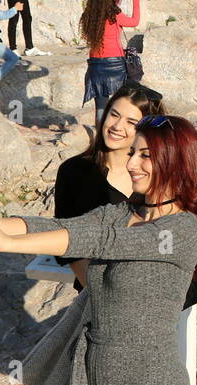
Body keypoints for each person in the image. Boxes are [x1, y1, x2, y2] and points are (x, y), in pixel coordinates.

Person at [0, 115, 197, 385]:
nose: (131, 164)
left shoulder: (182, 229)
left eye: (146, 156)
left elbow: (101, 240)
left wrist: (6, 243)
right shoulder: (122, 212)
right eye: (132, 153)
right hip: (90, 379)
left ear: (176, 161)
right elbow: (62, 226)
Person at [53, 81, 166, 290]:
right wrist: (103, 295)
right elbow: (69, 244)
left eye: (131, 121)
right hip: (98, 290)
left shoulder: (157, 174)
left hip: (152, 292)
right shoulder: (75, 172)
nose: (116, 126)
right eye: (114, 115)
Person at [80, 0, 142, 122]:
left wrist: (116, 0)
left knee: (101, 106)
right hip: (114, 62)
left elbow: (105, 10)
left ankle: (100, 139)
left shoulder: (89, 15)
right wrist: (136, 0)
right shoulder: (115, 15)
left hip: (95, 63)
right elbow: (134, 21)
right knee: (122, 101)